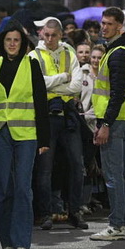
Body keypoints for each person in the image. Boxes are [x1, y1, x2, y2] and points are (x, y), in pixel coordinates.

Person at [0, 21, 49, 249]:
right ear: (2, 43)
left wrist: (44, 139)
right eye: (8, 40)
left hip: (26, 135)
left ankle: (22, 245)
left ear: (23, 43)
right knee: (3, 189)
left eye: (16, 40)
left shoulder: (32, 65)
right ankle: (7, 245)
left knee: (23, 189)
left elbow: (41, 102)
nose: (12, 44)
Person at [89, 7, 125, 242]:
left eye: (109, 24)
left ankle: (117, 225)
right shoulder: (123, 50)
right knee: (123, 174)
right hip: (123, 119)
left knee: (113, 175)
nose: (104, 27)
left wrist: (106, 123)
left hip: (115, 120)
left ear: (120, 26)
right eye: (103, 23)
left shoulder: (118, 53)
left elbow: (117, 94)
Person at [31, 17, 87, 229]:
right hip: (45, 115)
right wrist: (63, 76)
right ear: (41, 34)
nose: (50, 39)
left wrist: (52, 87)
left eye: (54, 35)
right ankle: (45, 213)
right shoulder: (33, 55)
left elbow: (76, 87)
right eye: (46, 35)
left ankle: (74, 210)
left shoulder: (69, 53)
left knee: (76, 164)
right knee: (44, 167)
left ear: (61, 35)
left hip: (67, 113)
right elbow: (37, 83)